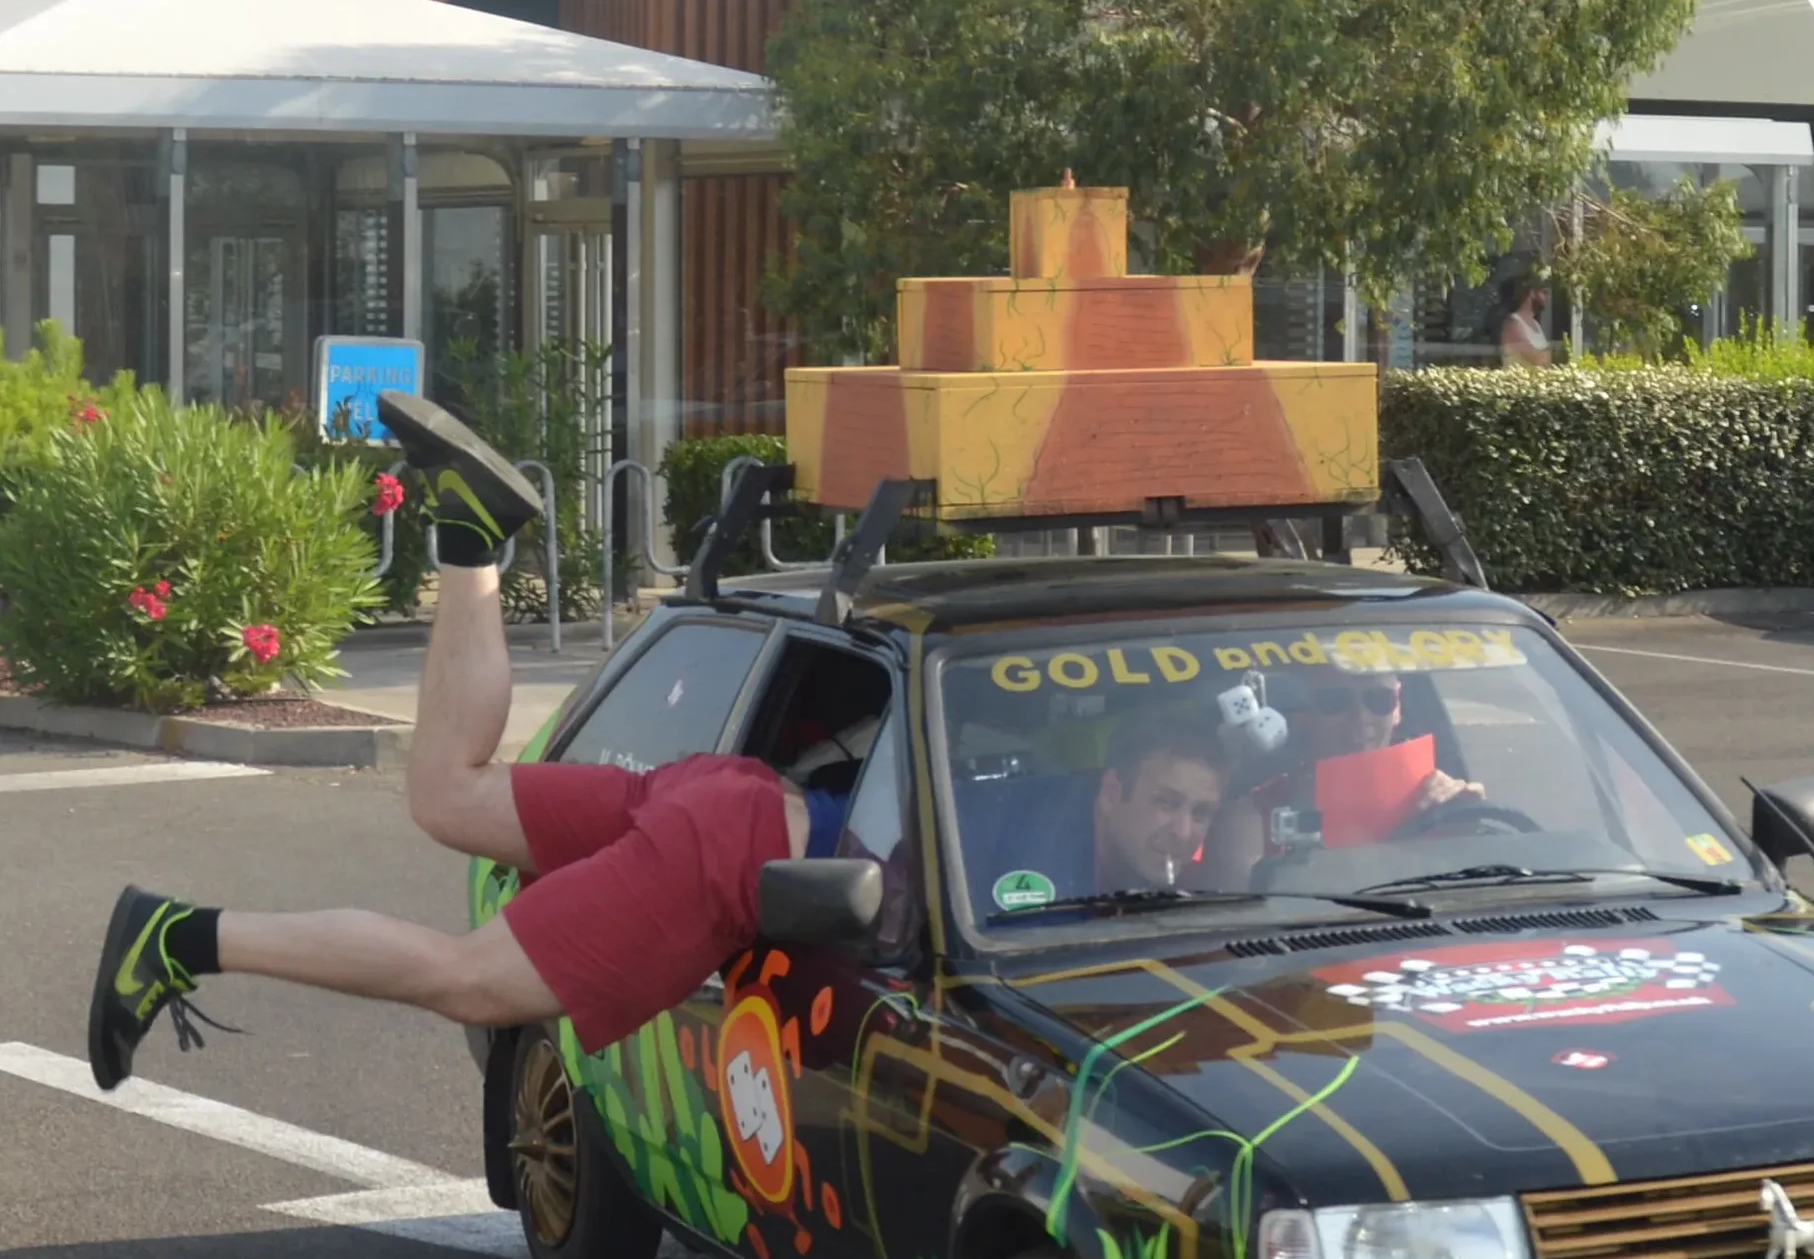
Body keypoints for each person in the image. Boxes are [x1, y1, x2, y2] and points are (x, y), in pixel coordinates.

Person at [88, 391, 866, 1093]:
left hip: (729, 793)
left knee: (444, 791)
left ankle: (469, 528)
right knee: (469, 978)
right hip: (738, 854)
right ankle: (180, 937)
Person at [1202, 662, 1483, 884]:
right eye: (1335, 702)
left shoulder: (1436, 802)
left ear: (1398, 709)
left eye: (1378, 699)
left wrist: (1467, 826)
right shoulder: (1253, 820)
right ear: (1304, 714)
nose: (1361, 719)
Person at [972, 707, 1231, 914]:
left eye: (1201, 813)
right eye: (1166, 803)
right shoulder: (1029, 858)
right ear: (1111, 794)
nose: (1183, 833)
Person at [1500, 277, 1554, 368]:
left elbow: (1547, 361)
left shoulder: (1536, 325)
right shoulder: (1513, 324)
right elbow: (1537, 358)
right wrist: (1549, 353)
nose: (1547, 297)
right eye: (1544, 293)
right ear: (1532, 293)